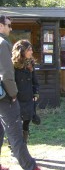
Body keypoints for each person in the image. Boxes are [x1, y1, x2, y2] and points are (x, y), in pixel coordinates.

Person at [0, 15, 41, 170]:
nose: (10, 28)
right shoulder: (3, 43)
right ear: (0, 25)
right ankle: (31, 167)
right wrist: (13, 94)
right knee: (16, 134)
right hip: (5, 96)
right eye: (8, 25)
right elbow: (6, 75)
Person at [12, 40, 40, 144]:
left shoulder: (31, 64)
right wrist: (12, 96)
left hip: (29, 98)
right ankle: (14, 146)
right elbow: (10, 82)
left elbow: (35, 81)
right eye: (29, 49)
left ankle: (23, 145)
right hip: (16, 99)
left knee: (26, 123)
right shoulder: (13, 66)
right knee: (15, 124)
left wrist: (36, 93)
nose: (32, 52)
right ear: (22, 51)